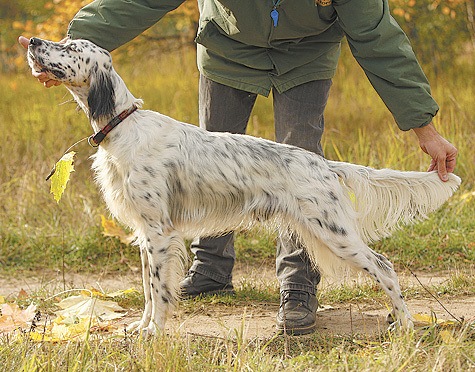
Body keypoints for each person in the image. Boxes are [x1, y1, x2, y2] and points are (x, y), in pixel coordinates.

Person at [19, 0, 458, 335]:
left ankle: (300, 286)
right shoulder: (132, 141)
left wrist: (424, 127)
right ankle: (209, 270)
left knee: (306, 162)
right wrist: (70, 42)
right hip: (227, 50)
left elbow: (379, 38)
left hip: (306, 54)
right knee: (212, 146)